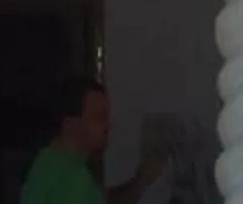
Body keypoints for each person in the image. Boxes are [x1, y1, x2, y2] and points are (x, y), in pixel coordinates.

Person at [20, 79, 162, 204]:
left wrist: (140, 182)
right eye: (99, 117)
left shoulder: (50, 162)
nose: (107, 126)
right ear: (70, 124)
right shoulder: (72, 178)